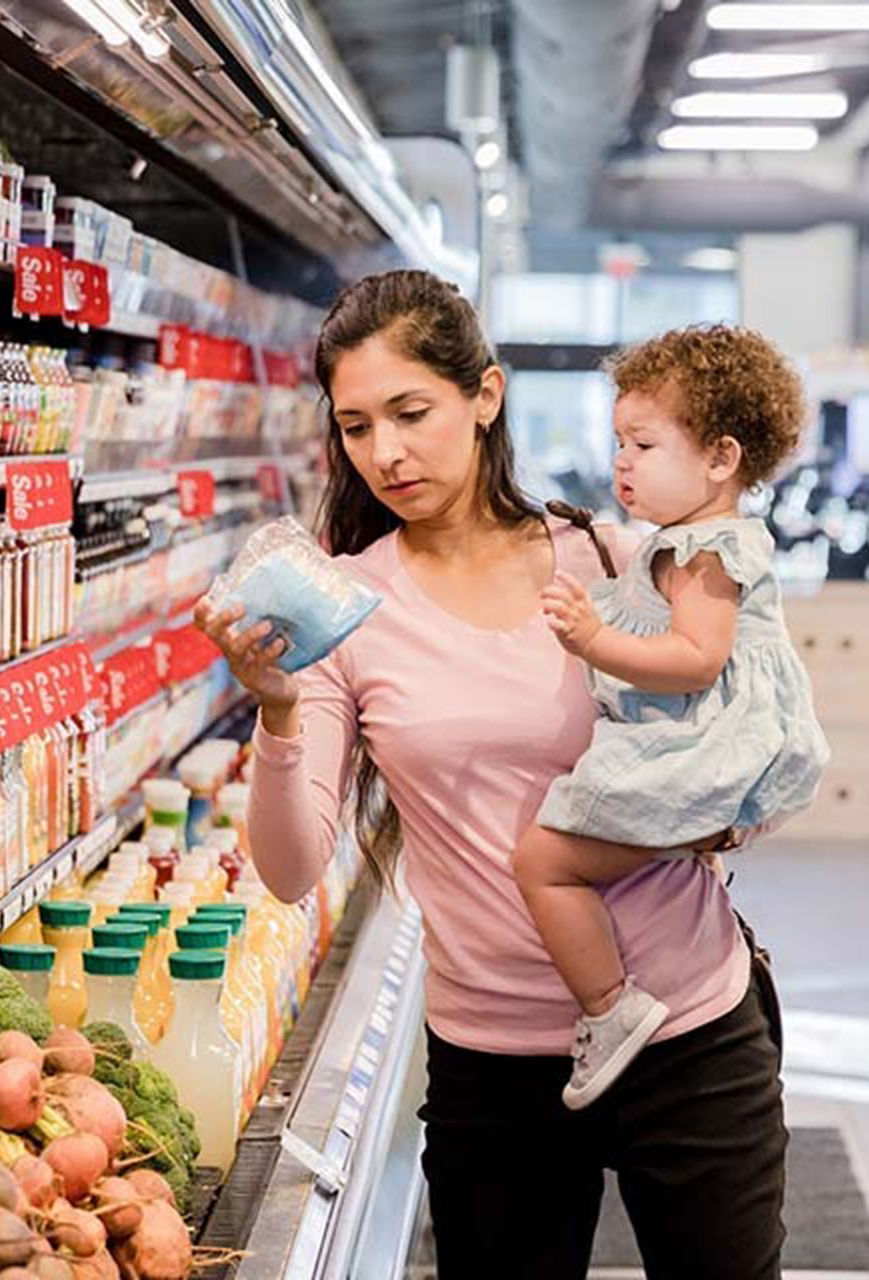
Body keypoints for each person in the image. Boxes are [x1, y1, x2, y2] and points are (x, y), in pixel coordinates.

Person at [198, 271, 790, 1280]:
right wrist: (278, 703)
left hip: (687, 1022)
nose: (384, 451)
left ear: (486, 394)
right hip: (495, 1063)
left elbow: (740, 721)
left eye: (410, 411)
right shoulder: (348, 610)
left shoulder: (611, 553)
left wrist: (726, 811)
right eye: (355, 425)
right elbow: (294, 871)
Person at [516, 326, 828, 1110]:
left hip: (705, 745)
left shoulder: (705, 553)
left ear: (721, 458)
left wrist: (595, 638)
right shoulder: (683, 540)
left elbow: (697, 659)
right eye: (619, 442)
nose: (622, 462)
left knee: (545, 862)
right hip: (706, 740)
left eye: (644, 444)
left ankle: (608, 1005)